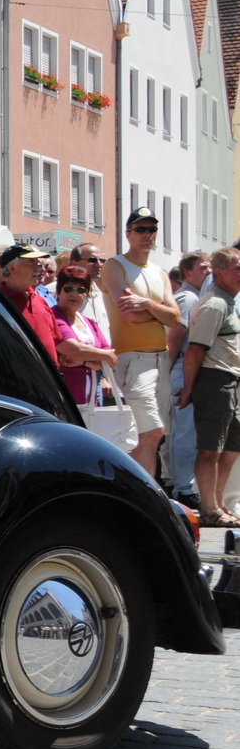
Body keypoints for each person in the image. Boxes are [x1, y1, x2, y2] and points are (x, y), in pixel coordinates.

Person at [101, 208, 181, 478]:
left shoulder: (159, 272)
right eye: (141, 229)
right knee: (150, 431)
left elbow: (175, 318)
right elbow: (130, 314)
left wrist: (146, 304)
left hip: (161, 359)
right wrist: (159, 313)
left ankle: (138, 487)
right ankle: (143, 490)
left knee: (152, 435)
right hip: (133, 359)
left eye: (152, 229)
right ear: (128, 234)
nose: (148, 234)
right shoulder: (115, 265)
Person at [174, 247, 240, 527]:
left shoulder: (227, 301)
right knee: (210, 448)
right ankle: (210, 509)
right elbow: (195, 350)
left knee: (231, 447)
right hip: (215, 380)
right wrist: (188, 388)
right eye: (238, 268)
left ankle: (219, 503)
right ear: (220, 272)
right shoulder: (215, 304)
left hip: (230, 379)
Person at [167, 251, 212, 507]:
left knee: (187, 431)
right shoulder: (188, 298)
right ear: (187, 272)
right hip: (183, 365)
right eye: (203, 267)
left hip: (188, 365)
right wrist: (169, 371)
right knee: (185, 431)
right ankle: (183, 488)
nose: (208, 271)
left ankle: (183, 484)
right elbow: (175, 336)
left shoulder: (196, 296)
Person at [51, 265, 115, 406]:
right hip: (66, 396)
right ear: (58, 291)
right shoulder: (54, 317)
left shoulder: (89, 322)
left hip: (93, 397)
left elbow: (110, 360)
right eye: (68, 289)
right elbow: (72, 348)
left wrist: (83, 362)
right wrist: (102, 356)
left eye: (81, 290)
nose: (74, 294)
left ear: (86, 294)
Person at [0, 244, 58, 354]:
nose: (38, 268)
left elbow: (56, 340)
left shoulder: (40, 301)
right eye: (31, 263)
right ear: (12, 268)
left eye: (38, 263)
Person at [70, 242, 112, 337]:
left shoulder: (101, 294)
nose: (99, 264)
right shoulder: (58, 291)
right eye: (92, 260)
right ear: (74, 264)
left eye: (102, 260)